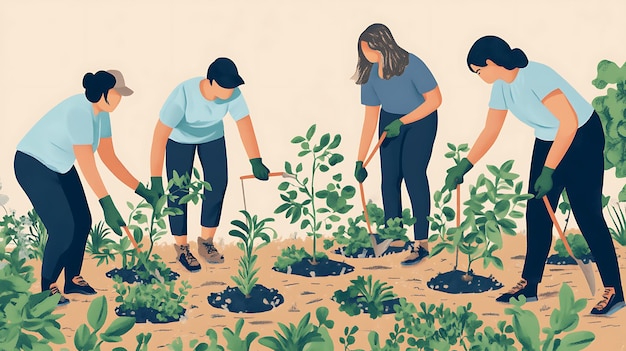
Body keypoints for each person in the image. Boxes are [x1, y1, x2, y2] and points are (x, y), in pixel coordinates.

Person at [443, 35, 625, 315]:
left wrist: (549, 171)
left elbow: (569, 122)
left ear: (491, 63)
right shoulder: (501, 86)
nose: (479, 77)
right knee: (537, 211)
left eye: (479, 71)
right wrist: (465, 165)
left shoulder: (536, 76)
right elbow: (491, 130)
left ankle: (614, 290)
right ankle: (529, 284)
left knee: (587, 213)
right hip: (547, 139)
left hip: (581, 137)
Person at [14, 70, 158, 305]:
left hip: (59, 165)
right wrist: (107, 204)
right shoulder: (79, 113)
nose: (120, 98)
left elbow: (109, 157)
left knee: (83, 221)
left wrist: (142, 191)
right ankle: (47, 288)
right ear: (102, 93)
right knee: (62, 228)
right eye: (117, 93)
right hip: (33, 164)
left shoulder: (102, 114)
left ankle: (72, 279)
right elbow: (87, 164)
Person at [146, 57, 269, 272]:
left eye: (232, 87)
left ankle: (206, 242)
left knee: (218, 184)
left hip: (213, 137)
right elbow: (160, 135)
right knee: (178, 191)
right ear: (210, 81)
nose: (229, 92)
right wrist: (155, 178)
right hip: (179, 140)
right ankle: (182, 247)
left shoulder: (233, 93)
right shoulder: (183, 96)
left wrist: (255, 160)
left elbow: (244, 123)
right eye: (225, 86)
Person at [353, 23, 442, 265]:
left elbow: (435, 100)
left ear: (382, 45)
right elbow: (370, 119)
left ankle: (421, 242)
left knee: (413, 175)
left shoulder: (412, 64)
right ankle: (394, 236)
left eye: (368, 50)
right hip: (389, 120)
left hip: (420, 120)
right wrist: (360, 159)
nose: (365, 56)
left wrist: (403, 122)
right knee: (389, 178)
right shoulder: (370, 75)